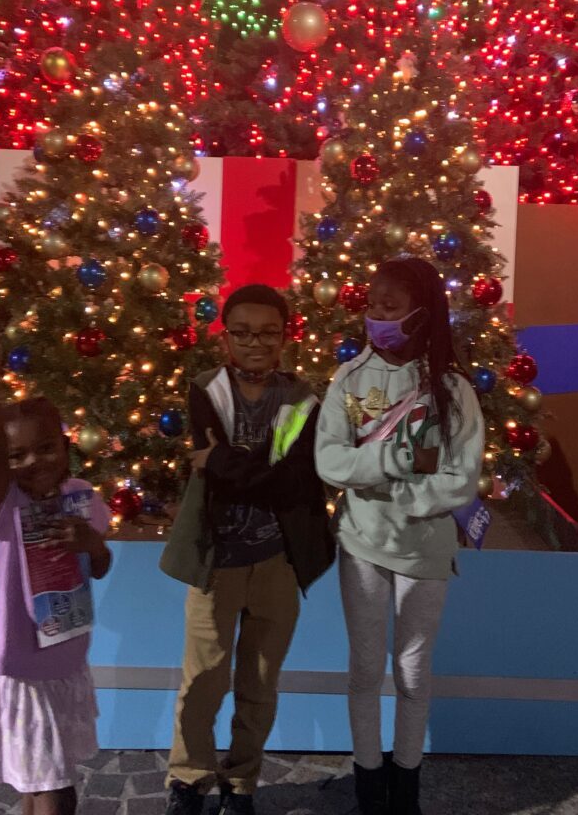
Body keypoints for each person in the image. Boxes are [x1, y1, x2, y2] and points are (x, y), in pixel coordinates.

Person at [315, 257, 484, 815]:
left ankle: (405, 780)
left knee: (413, 671)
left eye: (390, 307)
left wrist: (408, 498)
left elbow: (460, 477)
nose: (376, 317)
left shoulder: (454, 390)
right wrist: (393, 461)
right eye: (371, 305)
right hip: (361, 545)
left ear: (422, 313)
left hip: (426, 550)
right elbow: (329, 459)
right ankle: (368, 778)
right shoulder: (348, 378)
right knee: (365, 667)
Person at [160, 284, 335, 815]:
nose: (255, 343)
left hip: (277, 561)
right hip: (218, 561)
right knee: (203, 681)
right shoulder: (205, 390)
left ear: (285, 336)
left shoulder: (302, 400)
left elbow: (293, 483)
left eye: (268, 332)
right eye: (242, 332)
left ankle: (242, 781)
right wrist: (251, 471)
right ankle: (188, 780)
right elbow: (260, 479)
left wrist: (220, 462)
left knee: (259, 679)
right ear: (226, 337)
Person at [0, 320, 112, 815]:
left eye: (47, 447)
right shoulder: (5, 507)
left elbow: (100, 567)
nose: (34, 461)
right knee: (57, 792)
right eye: (18, 455)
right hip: (20, 669)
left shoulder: (82, 499)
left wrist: (92, 543)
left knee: (42, 786)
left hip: (67, 661)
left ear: (66, 445)